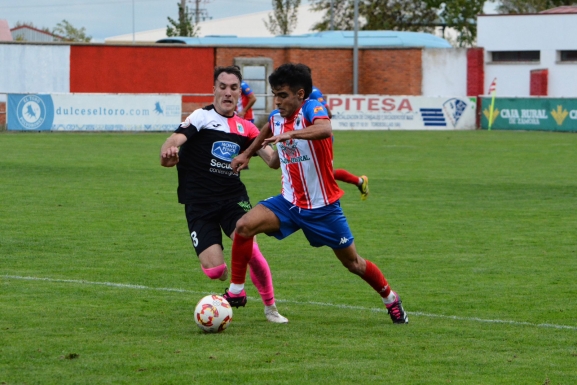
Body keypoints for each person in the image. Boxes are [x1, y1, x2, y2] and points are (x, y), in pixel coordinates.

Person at [223, 63, 408, 324]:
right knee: (243, 226)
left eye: (283, 95)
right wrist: (246, 153)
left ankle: (390, 298)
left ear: (300, 94)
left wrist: (292, 133)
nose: (277, 100)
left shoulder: (311, 108)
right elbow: (272, 152)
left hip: (323, 209)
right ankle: (236, 292)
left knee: (354, 263)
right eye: (275, 94)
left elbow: (325, 129)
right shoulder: (276, 119)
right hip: (288, 204)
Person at [160, 65, 288, 324]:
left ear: (239, 93)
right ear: (214, 90)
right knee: (216, 271)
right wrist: (169, 153)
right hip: (198, 203)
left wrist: (288, 140)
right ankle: (226, 280)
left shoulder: (247, 128)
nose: (228, 93)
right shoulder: (200, 117)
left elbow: (272, 162)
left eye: (233, 88)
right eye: (223, 87)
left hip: (233, 199)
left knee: (252, 251)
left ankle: (271, 308)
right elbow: (172, 143)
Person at [309, 85, 369, 201]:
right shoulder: (297, 93)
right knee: (315, 172)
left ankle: (357, 183)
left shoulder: (313, 92)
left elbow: (327, 113)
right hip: (309, 139)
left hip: (321, 139)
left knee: (325, 173)